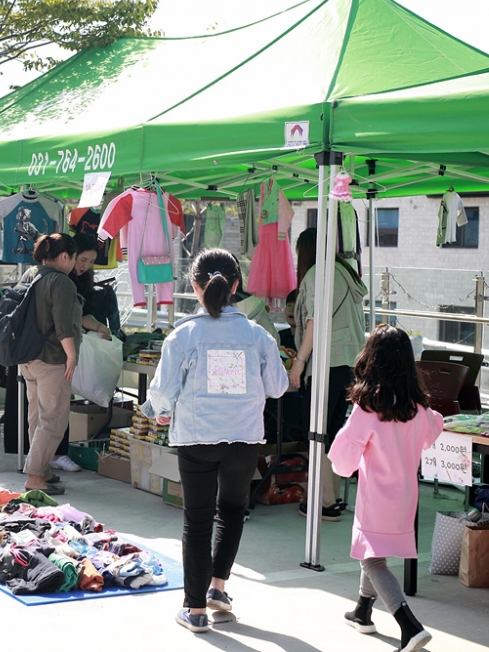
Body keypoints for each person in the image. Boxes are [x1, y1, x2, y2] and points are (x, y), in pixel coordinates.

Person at [140, 248, 288, 634]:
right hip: (244, 439)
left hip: (196, 439)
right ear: (236, 286)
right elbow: (278, 387)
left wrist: (157, 410)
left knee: (198, 519)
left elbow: (161, 393)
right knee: (233, 512)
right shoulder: (257, 335)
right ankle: (218, 589)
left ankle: (194, 609)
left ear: (194, 286)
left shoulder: (184, 335)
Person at [329, 325, 442, 652]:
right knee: (372, 553)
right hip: (406, 497)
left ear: (372, 358)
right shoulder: (418, 409)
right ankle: (362, 612)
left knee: (372, 561)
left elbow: (344, 454)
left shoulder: (369, 407)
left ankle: (410, 626)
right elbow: (435, 425)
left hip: (375, 496)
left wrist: (339, 466)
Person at [289, 227, 367, 521]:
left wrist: (300, 361)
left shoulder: (317, 275)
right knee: (332, 434)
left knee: (316, 434)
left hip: (327, 362)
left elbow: (313, 322)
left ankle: (326, 502)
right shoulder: (347, 273)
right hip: (351, 363)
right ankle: (329, 497)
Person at [20, 233, 82, 495]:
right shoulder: (61, 282)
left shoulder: (30, 274)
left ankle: (42, 468)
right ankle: (35, 477)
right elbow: (63, 325)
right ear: (64, 256)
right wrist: (72, 355)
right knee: (53, 418)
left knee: (37, 415)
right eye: (75, 258)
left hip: (27, 357)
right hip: (52, 358)